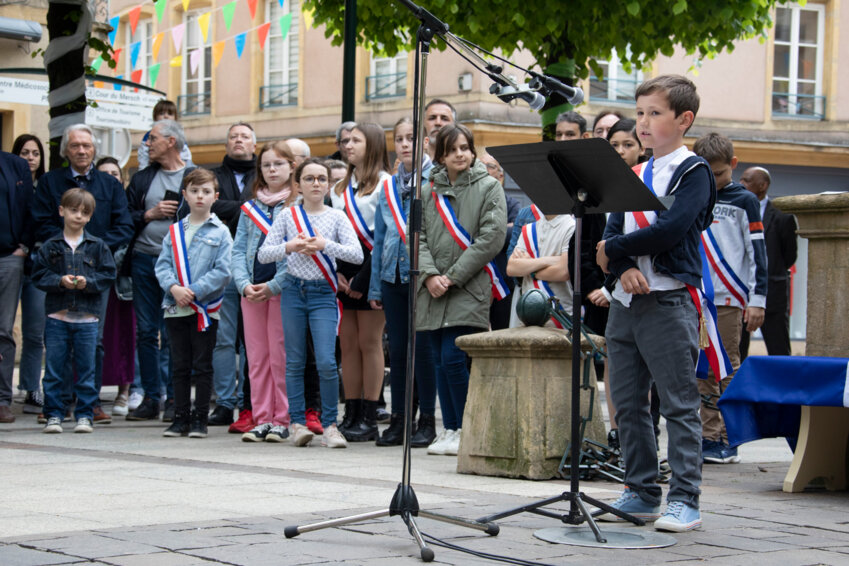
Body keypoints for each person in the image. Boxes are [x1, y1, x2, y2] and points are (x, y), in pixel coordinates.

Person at [596, 75, 716, 532]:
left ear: (683, 120)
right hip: (627, 300)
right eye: (640, 113)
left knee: (678, 403)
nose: (643, 123)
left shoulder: (694, 172)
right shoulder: (634, 173)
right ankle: (641, 489)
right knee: (627, 403)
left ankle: (685, 497)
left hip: (667, 301)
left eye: (655, 114)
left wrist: (617, 251)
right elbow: (608, 235)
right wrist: (619, 266)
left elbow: (672, 229)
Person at [31, 124, 133, 425]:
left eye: (87, 146)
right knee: (58, 342)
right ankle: (59, 404)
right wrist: (63, 250)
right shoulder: (50, 183)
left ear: (94, 149)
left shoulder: (109, 185)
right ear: (66, 150)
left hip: (95, 274)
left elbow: (124, 226)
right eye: (75, 145)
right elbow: (39, 222)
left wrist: (94, 250)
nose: (81, 150)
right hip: (57, 271)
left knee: (94, 341)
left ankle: (91, 406)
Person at [258, 158, 363, 447]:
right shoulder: (288, 216)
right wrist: (290, 246)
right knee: (294, 361)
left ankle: (330, 424)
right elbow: (264, 254)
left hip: (323, 294)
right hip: (292, 290)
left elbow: (357, 255)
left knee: (327, 362)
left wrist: (324, 245)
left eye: (321, 179)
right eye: (309, 179)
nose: (315, 184)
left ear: (329, 184)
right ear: (298, 184)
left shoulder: (337, 216)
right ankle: (296, 423)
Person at [418, 124, 507, 456]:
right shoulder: (429, 192)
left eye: (465, 148)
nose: (460, 154)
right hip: (433, 287)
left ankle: (470, 426)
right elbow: (419, 237)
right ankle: (450, 429)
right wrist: (429, 275)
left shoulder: (488, 187)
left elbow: (491, 237)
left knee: (455, 358)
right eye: (452, 149)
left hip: (467, 286)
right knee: (439, 361)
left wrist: (451, 277)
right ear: (441, 154)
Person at [692, 133, 768, 465]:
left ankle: (728, 437)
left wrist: (758, 299)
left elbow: (757, 254)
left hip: (727, 298)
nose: (714, 180)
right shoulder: (692, 194)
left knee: (724, 367)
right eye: (707, 173)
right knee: (700, 370)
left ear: (733, 166)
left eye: (720, 174)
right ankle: (709, 436)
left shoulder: (745, 201)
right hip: (694, 296)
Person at [368, 117, 438, 447]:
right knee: (397, 349)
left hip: (421, 277)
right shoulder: (388, 188)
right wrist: (373, 286)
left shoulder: (435, 180)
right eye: (399, 139)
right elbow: (379, 239)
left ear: (425, 142)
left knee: (422, 349)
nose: (405, 144)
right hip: (392, 275)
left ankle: (426, 420)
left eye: (412, 138)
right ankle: (399, 419)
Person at [126, 120, 195, 421]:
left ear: (170, 141)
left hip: (180, 264)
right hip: (144, 259)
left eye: (152, 139)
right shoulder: (142, 178)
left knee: (174, 332)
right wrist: (148, 214)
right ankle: (150, 399)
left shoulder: (195, 177)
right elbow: (124, 215)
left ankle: (175, 400)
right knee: (145, 331)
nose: (147, 144)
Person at [155, 169, 233, 438]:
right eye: (195, 191)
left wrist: (195, 290)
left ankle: (200, 418)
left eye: (206, 191)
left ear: (215, 196)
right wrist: (175, 288)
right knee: (179, 364)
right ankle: (180, 417)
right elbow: (162, 265)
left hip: (205, 309)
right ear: (185, 195)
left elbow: (224, 271)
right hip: (176, 306)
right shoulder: (175, 231)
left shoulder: (221, 232)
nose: (200, 196)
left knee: (202, 364)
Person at [32, 188, 116, 433]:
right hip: (57, 316)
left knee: (87, 370)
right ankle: (54, 414)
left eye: (84, 212)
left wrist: (88, 283)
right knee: (54, 370)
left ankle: (85, 415)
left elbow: (108, 274)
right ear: (62, 211)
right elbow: (39, 274)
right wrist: (60, 281)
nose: (78, 216)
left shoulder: (98, 246)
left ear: (90, 216)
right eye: (73, 210)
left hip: (88, 318)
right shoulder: (51, 246)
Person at [330, 123, 392, 443]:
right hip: (344, 274)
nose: (348, 145)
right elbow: (334, 234)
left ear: (374, 145)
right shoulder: (337, 189)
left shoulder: (386, 184)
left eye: (356, 140)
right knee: (348, 344)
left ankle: (369, 414)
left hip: (372, 270)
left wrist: (363, 278)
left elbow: (383, 238)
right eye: (346, 141)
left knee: (370, 342)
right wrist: (339, 275)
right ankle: (350, 411)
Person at [232, 142, 297, 442]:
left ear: (291, 167)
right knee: (256, 357)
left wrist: (273, 286)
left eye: (279, 164)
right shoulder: (249, 209)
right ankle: (261, 418)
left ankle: (282, 418)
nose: (272, 170)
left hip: (283, 291)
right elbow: (238, 250)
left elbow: (297, 255)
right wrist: (244, 284)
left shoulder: (296, 207)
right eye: (267, 165)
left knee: (279, 356)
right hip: (252, 292)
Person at [209, 122, 258, 429]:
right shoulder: (212, 175)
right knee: (224, 339)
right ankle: (225, 403)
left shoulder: (263, 174)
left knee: (251, 341)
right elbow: (207, 206)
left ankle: (249, 403)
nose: (238, 140)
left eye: (245, 137)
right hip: (221, 268)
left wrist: (229, 208)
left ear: (254, 144)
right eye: (233, 136)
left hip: (255, 268)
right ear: (226, 144)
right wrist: (245, 208)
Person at [740, 166, 797, 358]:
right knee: (737, 349)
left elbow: (789, 256)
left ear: (762, 185)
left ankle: (785, 386)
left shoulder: (783, 216)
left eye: (747, 180)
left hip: (774, 295)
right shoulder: (738, 210)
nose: (741, 184)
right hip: (741, 293)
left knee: (778, 349)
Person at [95, 157, 136, 417]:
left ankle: (124, 392)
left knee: (124, 336)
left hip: (122, 281)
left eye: (115, 173)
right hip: (93, 277)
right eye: (105, 173)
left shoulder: (128, 207)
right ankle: (91, 392)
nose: (111, 177)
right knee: (94, 337)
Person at [12, 134, 46, 415]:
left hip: (37, 267)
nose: (31, 158)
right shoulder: (7, 184)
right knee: (4, 330)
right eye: (25, 152)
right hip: (10, 261)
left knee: (35, 332)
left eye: (35, 153)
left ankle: (31, 387)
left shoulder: (45, 187)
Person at [0, 150, 34, 424]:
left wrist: (23, 247)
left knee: (3, 329)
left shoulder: (15, 166)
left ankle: (1, 400)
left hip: (8, 259)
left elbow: (28, 208)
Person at [507, 210, 575, 322]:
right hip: (528, 314)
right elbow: (511, 268)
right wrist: (548, 261)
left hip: (559, 317)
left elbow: (563, 272)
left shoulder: (571, 227)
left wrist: (529, 268)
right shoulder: (529, 229)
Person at [478, 151, 520, 331]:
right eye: (480, 165)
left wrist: (484, 235)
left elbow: (514, 234)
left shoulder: (511, 204)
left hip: (503, 281)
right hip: (475, 279)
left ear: (500, 176)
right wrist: (501, 229)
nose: (484, 169)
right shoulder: (469, 200)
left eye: (490, 166)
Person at [137, 100, 194, 169]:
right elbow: (143, 156)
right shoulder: (149, 135)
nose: (166, 116)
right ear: (155, 117)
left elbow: (186, 156)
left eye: (170, 114)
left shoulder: (179, 136)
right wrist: (143, 171)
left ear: (175, 118)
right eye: (161, 113)